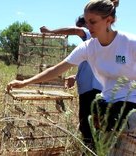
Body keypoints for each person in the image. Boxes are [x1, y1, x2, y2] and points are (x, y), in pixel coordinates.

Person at [7, 0, 135, 154]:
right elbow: (57, 69)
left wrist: (51, 31)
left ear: (109, 20)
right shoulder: (88, 47)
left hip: (131, 108)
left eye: (93, 22)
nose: (88, 26)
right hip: (107, 108)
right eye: (87, 22)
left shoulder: (129, 43)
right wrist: (25, 82)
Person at [40, 15, 102, 149]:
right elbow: (91, 67)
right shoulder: (94, 44)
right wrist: (75, 77)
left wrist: (50, 32)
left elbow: (75, 30)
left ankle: (91, 151)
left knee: (87, 125)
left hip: (91, 91)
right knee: (93, 125)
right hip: (94, 90)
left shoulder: (90, 34)